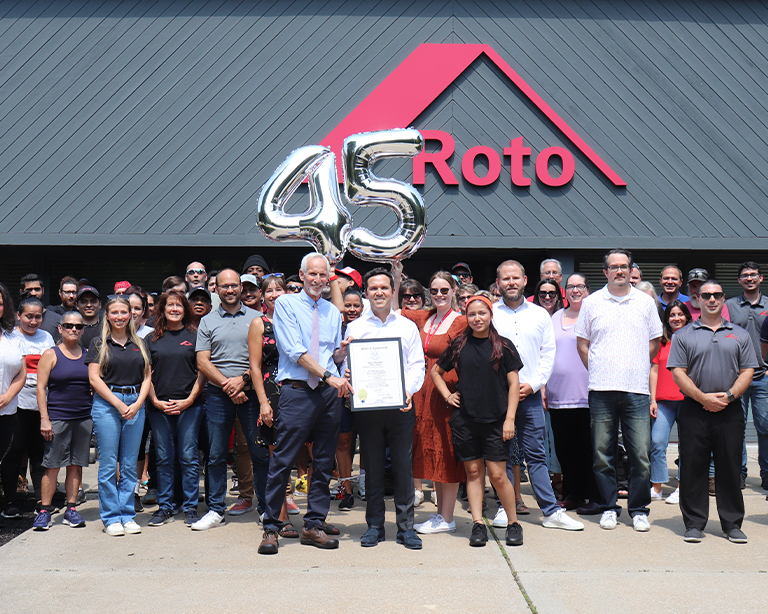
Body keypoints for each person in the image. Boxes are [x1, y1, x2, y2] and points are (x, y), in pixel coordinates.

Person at [258, 253, 352, 555]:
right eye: (312, 274)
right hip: (298, 391)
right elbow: (294, 350)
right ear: (301, 275)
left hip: (327, 395)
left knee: (323, 462)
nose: (317, 280)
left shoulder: (332, 312)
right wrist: (328, 375)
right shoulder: (286, 304)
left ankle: (313, 525)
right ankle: (271, 527)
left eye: (323, 275)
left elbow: (331, 354)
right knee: (283, 460)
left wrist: (343, 356)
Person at [575, 248, 662, 532]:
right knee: (602, 455)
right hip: (601, 389)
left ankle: (638, 509)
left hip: (636, 390)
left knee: (641, 455)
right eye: (614, 267)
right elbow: (582, 344)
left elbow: (654, 342)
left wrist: (636, 366)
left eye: (624, 266)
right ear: (606, 272)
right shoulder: (591, 303)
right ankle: (609, 507)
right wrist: (600, 369)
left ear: (631, 269)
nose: (620, 271)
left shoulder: (645, 302)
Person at [493, 261, 583, 531]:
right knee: (502, 455)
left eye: (515, 278)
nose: (511, 282)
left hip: (529, 395)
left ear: (524, 281)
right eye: (505, 278)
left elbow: (548, 354)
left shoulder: (540, 315)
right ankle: (505, 507)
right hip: (499, 397)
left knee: (537, 455)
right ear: (498, 283)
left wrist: (534, 384)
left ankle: (550, 511)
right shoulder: (490, 313)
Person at [669, 280, 757, 543]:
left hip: (730, 409)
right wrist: (702, 398)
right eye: (706, 295)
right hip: (694, 409)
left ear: (723, 298)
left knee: (730, 466)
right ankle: (694, 523)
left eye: (717, 295)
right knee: (693, 467)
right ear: (697, 299)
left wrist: (729, 396)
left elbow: (748, 371)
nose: (711, 299)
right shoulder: (683, 335)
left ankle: (732, 524)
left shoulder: (739, 334)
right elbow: (678, 372)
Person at [433, 295, 524, 547]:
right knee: (473, 472)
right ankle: (478, 523)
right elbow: (436, 372)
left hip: (497, 420)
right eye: (472, 314)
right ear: (466, 317)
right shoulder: (458, 345)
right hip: (466, 420)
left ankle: (513, 523)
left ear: (491, 315)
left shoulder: (503, 346)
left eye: (482, 313)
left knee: (497, 474)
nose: (477, 318)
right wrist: (448, 395)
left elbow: (514, 384)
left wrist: (510, 419)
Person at [346, 268, 425, 549]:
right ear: (366, 293)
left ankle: (406, 528)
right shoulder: (355, 328)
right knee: (373, 467)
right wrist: (347, 375)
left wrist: (409, 391)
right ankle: (375, 526)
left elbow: (417, 364)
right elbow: (348, 365)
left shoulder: (406, 326)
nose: (378, 292)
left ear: (393, 292)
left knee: (403, 467)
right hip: (368, 408)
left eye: (383, 288)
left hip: (400, 406)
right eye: (373, 288)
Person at [194, 269, 268, 531]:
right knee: (215, 454)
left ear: (241, 287)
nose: (229, 290)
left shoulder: (257, 318)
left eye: (234, 285)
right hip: (218, 394)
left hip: (252, 393)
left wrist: (243, 380)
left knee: (259, 452)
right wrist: (229, 385)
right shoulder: (207, 321)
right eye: (224, 286)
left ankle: (266, 509)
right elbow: (202, 361)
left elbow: (265, 357)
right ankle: (216, 509)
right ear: (217, 289)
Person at [401, 272, 466, 533]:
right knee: (432, 450)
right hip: (424, 392)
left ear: (454, 291)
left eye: (444, 290)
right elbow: (397, 311)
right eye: (435, 290)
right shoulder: (426, 317)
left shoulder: (460, 321)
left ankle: (447, 517)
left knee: (446, 452)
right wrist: (396, 274)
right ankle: (441, 515)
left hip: (446, 391)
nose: (439, 295)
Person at [86, 297, 152, 536]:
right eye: (114, 312)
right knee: (108, 463)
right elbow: (94, 378)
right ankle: (112, 517)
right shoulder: (98, 343)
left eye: (124, 312)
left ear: (131, 314)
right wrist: (118, 403)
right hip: (107, 404)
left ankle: (127, 514)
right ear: (107, 315)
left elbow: (147, 377)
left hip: (135, 403)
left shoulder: (140, 342)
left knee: (129, 463)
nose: (120, 317)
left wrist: (138, 403)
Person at [146, 291, 205, 527]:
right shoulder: (151, 339)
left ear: (185, 309)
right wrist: (155, 401)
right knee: (163, 458)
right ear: (162, 309)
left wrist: (189, 400)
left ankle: (190, 507)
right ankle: (166, 506)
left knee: (189, 457)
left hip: (190, 406)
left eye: (179, 305)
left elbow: (202, 372)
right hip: (159, 407)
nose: (174, 309)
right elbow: (146, 375)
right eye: (169, 305)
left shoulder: (195, 336)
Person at [33, 311, 92, 530]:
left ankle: (71, 509)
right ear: (60, 328)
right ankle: (44, 511)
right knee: (52, 466)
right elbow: (41, 388)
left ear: (82, 330)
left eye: (78, 326)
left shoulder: (88, 354)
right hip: (58, 418)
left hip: (83, 418)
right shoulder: (51, 354)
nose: (73, 329)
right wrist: (45, 419)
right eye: (69, 325)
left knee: (76, 466)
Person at [547, 274, 600, 514]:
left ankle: (595, 496)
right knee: (565, 450)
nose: (575, 290)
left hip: (589, 394)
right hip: (558, 394)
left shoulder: (595, 315)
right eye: (570, 287)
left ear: (588, 290)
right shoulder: (555, 317)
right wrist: (543, 388)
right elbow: (547, 353)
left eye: (580, 286)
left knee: (590, 449)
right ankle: (572, 495)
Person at [1, 296, 54, 517]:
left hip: (42, 403)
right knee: (14, 453)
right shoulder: (11, 336)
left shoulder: (47, 337)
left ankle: (41, 499)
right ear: (18, 316)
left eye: (38, 317)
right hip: (17, 404)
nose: (33, 321)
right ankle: (11, 499)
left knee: (39, 453)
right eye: (28, 316)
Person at [726, 262, 768, 490]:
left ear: (761, 278)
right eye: (745, 275)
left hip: (763, 376)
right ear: (739, 280)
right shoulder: (729, 306)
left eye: (753, 275)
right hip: (737, 377)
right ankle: (738, 473)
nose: (749, 278)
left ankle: (767, 473)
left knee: (765, 426)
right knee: (737, 427)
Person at [649, 300, 692, 505]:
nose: (676, 318)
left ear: (687, 317)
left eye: (680, 314)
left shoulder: (693, 339)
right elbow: (654, 370)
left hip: (688, 400)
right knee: (657, 443)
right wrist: (652, 399)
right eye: (672, 315)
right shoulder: (661, 341)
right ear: (666, 319)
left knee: (687, 445)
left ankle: (682, 488)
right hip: (663, 401)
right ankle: (657, 487)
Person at [330, 287, 365, 508]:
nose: (352, 309)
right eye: (348, 305)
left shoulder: (369, 326)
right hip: (340, 390)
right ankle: (346, 488)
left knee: (369, 440)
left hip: (367, 391)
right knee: (343, 440)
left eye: (356, 305)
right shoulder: (334, 326)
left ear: (363, 307)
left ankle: (366, 483)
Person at [0, 284, 27, 526]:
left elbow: (22, 372)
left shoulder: (13, 338)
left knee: (8, 457)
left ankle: (9, 502)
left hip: (7, 409)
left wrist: (8, 395)